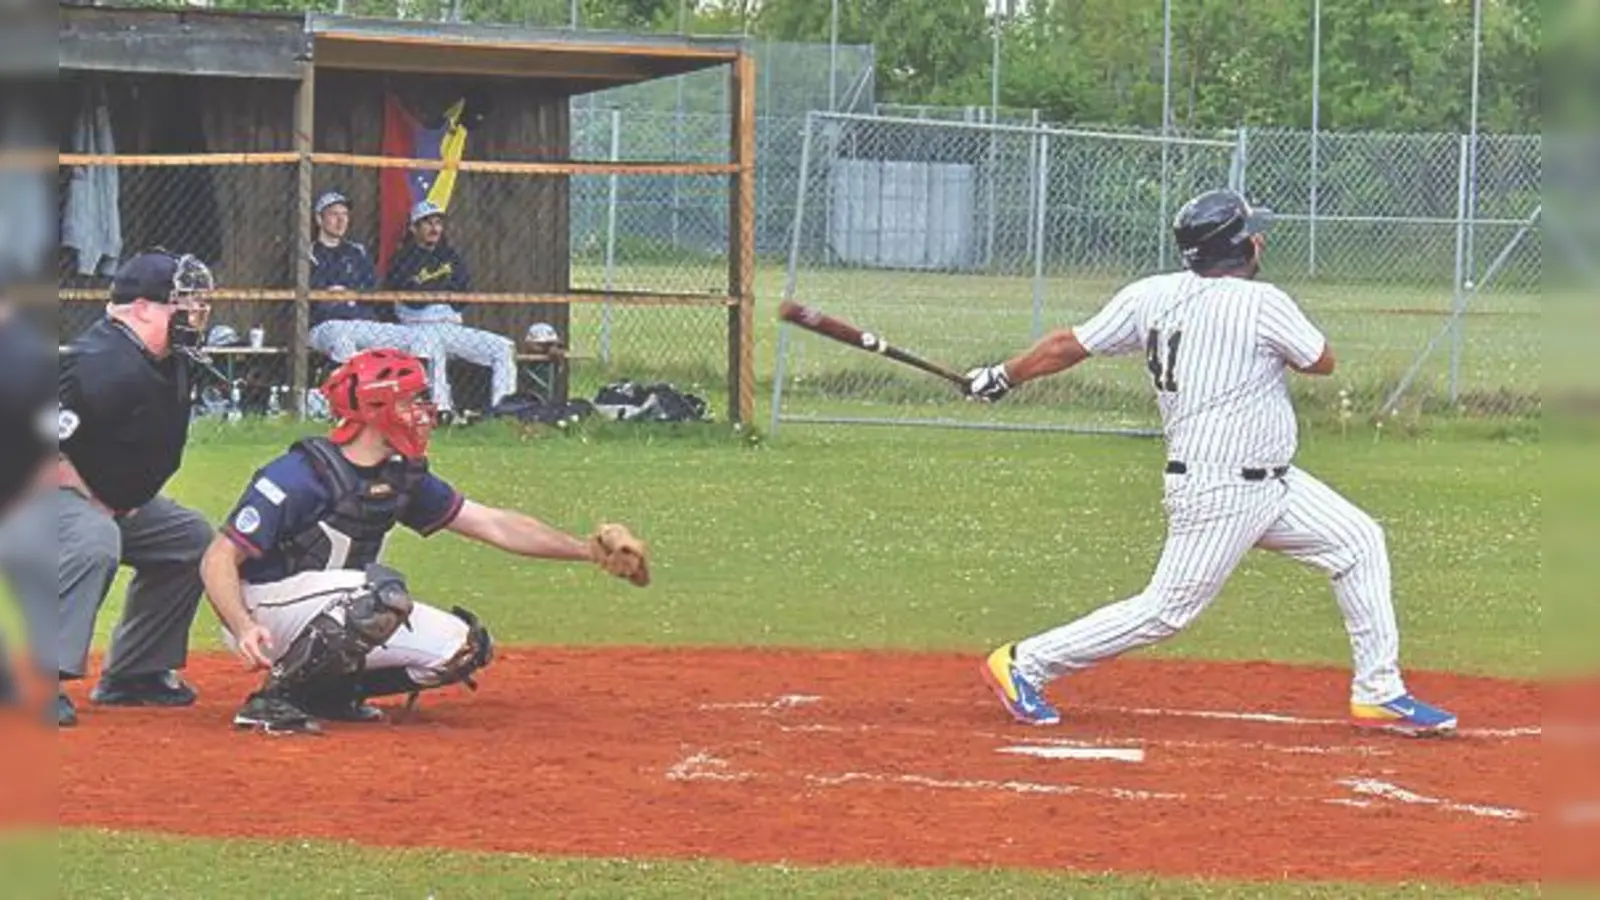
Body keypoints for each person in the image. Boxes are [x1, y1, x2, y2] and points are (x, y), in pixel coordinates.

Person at [967, 189, 1457, 737]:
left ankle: (1380, 692)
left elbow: (1065, 345)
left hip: (1275, 484)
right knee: (1166, 610)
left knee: (1359, 541)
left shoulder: (1149, 295)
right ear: (1240, 246)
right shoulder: (1262, 302)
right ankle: (1024, 663)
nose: (1260, 239)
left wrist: (1001, 375)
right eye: (1253, 233)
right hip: (1218, 489)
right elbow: (1321, 361)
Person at [199, 348, 650, 736]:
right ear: (376, 410)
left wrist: (586, 551)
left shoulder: (401, 475)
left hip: (340, 605)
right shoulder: (301, 474)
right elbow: (218, 558)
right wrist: (241, 626)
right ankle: (272, 702)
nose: (423, 412)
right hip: (264, 610)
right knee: (379, 596)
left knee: (464, 647)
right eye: (411, 401)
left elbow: (493, 524)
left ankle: (325, 694)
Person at [55, 250, 220, 727]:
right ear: (144, 308)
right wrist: (93, 502)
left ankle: (135, 672)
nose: (196, 313)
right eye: (183, 303)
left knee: (189, 539)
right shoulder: (95, 363)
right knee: (92, 539)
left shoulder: (170, 358)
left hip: (115, 500)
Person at [385, 201, 517, 413]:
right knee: (433, 346)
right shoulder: (403, 258)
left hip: (451, 326)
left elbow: (462, 293)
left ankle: (502, 411)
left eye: (438, 223)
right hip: (419, 327)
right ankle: (441, 411)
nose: (435, 228)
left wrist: (429, 290)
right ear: (413, 228)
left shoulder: (450, 256)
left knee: (502, 348)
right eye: (427, 223)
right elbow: (412, 299)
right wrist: (441, 290)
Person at [306, 191, 445, 388]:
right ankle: (346, 404)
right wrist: (350, 297)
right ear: (319, 219)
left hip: (363, 323)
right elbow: (320, 300)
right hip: (326, 326)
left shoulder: (357, 252)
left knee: (422, 337)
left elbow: (371, 290)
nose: (340, 220)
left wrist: (347, 296)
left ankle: (433, 403)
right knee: (341, 340)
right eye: (333, 214)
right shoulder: (309, 254)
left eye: (344, 215)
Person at [0, 299, 56, 712]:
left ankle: (52, 673)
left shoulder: (28, 360)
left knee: (25, 544)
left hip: (26, 499)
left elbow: (53, 449)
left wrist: (23, 504)